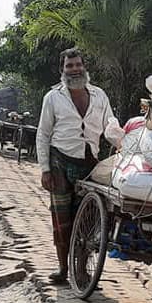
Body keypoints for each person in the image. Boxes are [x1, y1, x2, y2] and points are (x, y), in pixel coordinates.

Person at [36, 48, 115, 284]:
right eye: (69, 66)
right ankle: (63, 269)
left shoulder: (100, 96)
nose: (74, 69)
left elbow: (110, 126)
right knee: (61, 220)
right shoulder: (53, 97)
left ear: (84, 66)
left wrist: (125, 142)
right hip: (60, 161)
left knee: (88, 221)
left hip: (90, 164)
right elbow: (43, 134)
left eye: (78, 64)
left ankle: (81, 271)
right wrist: (45, 169)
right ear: (62, 70)